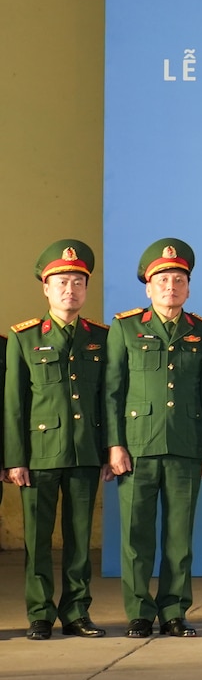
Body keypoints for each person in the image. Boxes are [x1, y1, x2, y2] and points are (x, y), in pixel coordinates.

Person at [104, 238, 202, 638]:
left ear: (188, 288)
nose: (171, 286)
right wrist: (115, 444)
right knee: (136, 537)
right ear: (148, 287)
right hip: (137, 448)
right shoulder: (126, 327)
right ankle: (138, 611)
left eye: (179, 279)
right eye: (163, 279)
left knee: (178, 538)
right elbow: (113, 391)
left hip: (186, 447)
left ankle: (174, 611)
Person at [5, 240, 109, 640]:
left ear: (86, 289)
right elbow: (14, 404)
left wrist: (105, 450)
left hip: (84, 452)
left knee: (79, 540)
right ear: (46, 288)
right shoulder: (26, 337)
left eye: (78, 282)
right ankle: (40, 614)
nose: (70, 290)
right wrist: (16, 458)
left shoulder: (99, 337)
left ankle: (77, 612)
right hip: (38, 455)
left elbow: (104, 399)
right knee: (37, 541)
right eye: (62, 282)